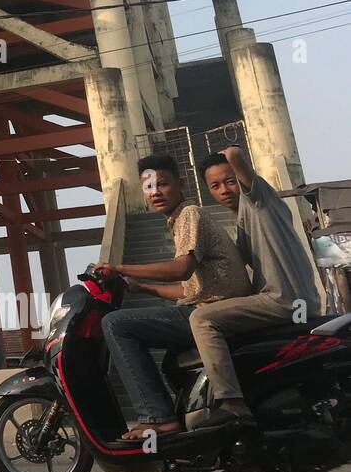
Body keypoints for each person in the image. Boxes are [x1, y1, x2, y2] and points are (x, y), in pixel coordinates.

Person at [98, 154, 251, 440]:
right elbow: (190, 288)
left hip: (213, 310)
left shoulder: (189, 214)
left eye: (163, 184)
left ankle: (157, 417)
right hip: (208, 303)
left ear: (181, 185)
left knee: (116, 324)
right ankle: (188, 414)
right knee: (170, 358)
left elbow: (182, 270)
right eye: (148, 187)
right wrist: (143, 289)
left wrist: (117, 267)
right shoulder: (179, 219)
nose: (156, 192)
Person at [188, 146, 324, 427]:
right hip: (293, 300)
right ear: (208, 192)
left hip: (283, 299)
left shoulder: (258, 199)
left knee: (201, 320)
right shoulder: (243, 220)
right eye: (215, 186)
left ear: (241, 178)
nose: (225, 189)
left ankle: (232, 402)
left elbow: (236, 155)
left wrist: (229, 154)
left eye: (230, 180)